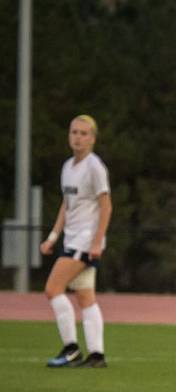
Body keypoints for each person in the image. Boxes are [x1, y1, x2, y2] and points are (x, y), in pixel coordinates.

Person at [39, 114, 111, 368]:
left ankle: (71, 350)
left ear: (92, 138)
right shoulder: (68, 167)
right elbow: (66, 206)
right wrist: (52, 237)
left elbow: (106, 206)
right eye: (74, 132)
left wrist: (96, 242)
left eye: (83, 133)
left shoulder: (94, 167)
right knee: (85, 298)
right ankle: (97, 355)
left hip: (85, 241)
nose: (77, 137)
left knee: (52, 288)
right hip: (71, 238)